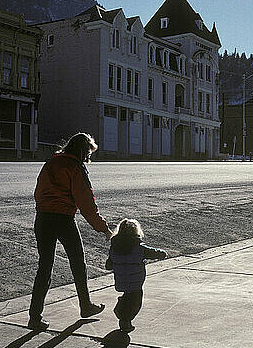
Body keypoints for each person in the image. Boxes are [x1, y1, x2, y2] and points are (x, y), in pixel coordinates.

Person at [28, 132, 113, 331]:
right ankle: (85, 306)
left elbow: (38, 191)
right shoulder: (75, 167)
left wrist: (45, 207)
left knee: (44, 267)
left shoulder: (51, 163)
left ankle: (34, 317)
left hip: (42, 218)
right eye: (88, 153)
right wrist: (104, 229)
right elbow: (86, 203)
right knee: (78, 263)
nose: (88, 158)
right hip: (63, 219)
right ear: (83, 151)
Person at [105, 218, 168, 332]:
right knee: (135, 303)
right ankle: (125, 319)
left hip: (121, 281)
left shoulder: (114, 247)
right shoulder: (139, 248)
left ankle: (122, 311)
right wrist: (163, 254)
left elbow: (108, 265)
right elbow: (154, 253)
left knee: (127, 296)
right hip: (136, 282)